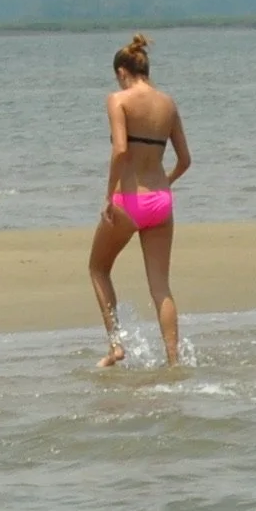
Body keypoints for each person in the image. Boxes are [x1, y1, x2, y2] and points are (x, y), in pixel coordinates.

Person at [87, 33, 192, 367]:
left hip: (128, 201)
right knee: (160, 287)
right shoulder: (168, 103)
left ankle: (116, 345)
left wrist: (108, 196)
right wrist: (164, 184)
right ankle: (174, 361)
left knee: (98, 268)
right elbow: (185, 160)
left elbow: (120, 150)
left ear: (122, 71)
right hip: (161, 202)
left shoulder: (118, 100)